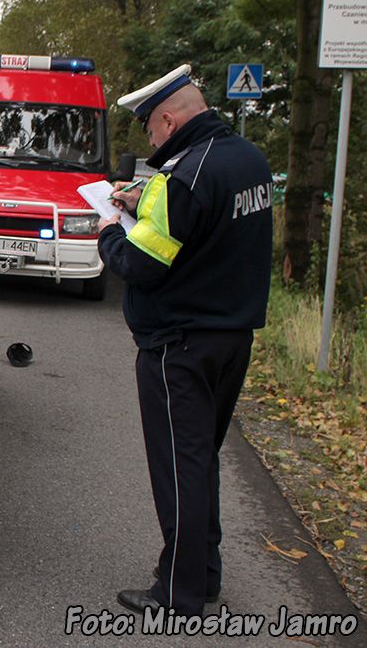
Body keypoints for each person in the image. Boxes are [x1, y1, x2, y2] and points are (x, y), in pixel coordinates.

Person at [97, 65, 273, 617]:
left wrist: (106, 228)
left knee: (180, 466)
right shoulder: (248, 159)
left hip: (179, 344)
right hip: (231, 338)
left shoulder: (183, 176)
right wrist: (143, 198)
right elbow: (207, 223)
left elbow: (140, 265)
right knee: (199, 460)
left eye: (150, 129)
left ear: (169, 120)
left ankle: (178, 592)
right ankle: (205, 574)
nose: (150, 141)